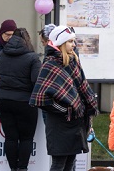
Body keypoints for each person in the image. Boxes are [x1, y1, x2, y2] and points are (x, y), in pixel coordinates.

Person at [30, 25, 98, 171]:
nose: (74, 45)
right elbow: (41, 98)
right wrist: (64, 110)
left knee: (70, 162)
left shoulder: (73, 61)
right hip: (59, 124)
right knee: (59, 164)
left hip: (76, 120)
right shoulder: (50, 64)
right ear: (61, 43)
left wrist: (82, 108)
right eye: (70, 41)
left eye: (74, 41)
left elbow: (81, 88)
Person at [0, 27, 41, 171]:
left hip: (3, 100)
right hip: (25, 102)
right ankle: (22, 168)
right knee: (26, 138)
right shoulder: (33, 57)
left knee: (10, 137)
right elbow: (36, 80)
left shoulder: (2, 54)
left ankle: (13, 168)